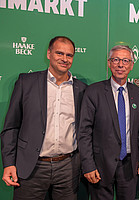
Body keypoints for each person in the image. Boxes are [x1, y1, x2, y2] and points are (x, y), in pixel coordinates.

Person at [1, 36, 87, 199]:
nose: (64, 59)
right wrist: (9, 163)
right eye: (59, 53)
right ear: (48, 54)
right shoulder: (26, 82)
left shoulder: (82, 89)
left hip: (68, 168)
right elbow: (11, 127)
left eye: (69, 55)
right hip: (32, 166)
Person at [78, 45, 139, 200]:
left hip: (130, 164)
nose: (120, 65)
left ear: (131, 65)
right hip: (101, 164)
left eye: (125, 60)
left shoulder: (138, 93)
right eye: (116, 60)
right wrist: (88, 165)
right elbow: (84, 132)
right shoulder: (93, 92)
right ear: (109, 63)